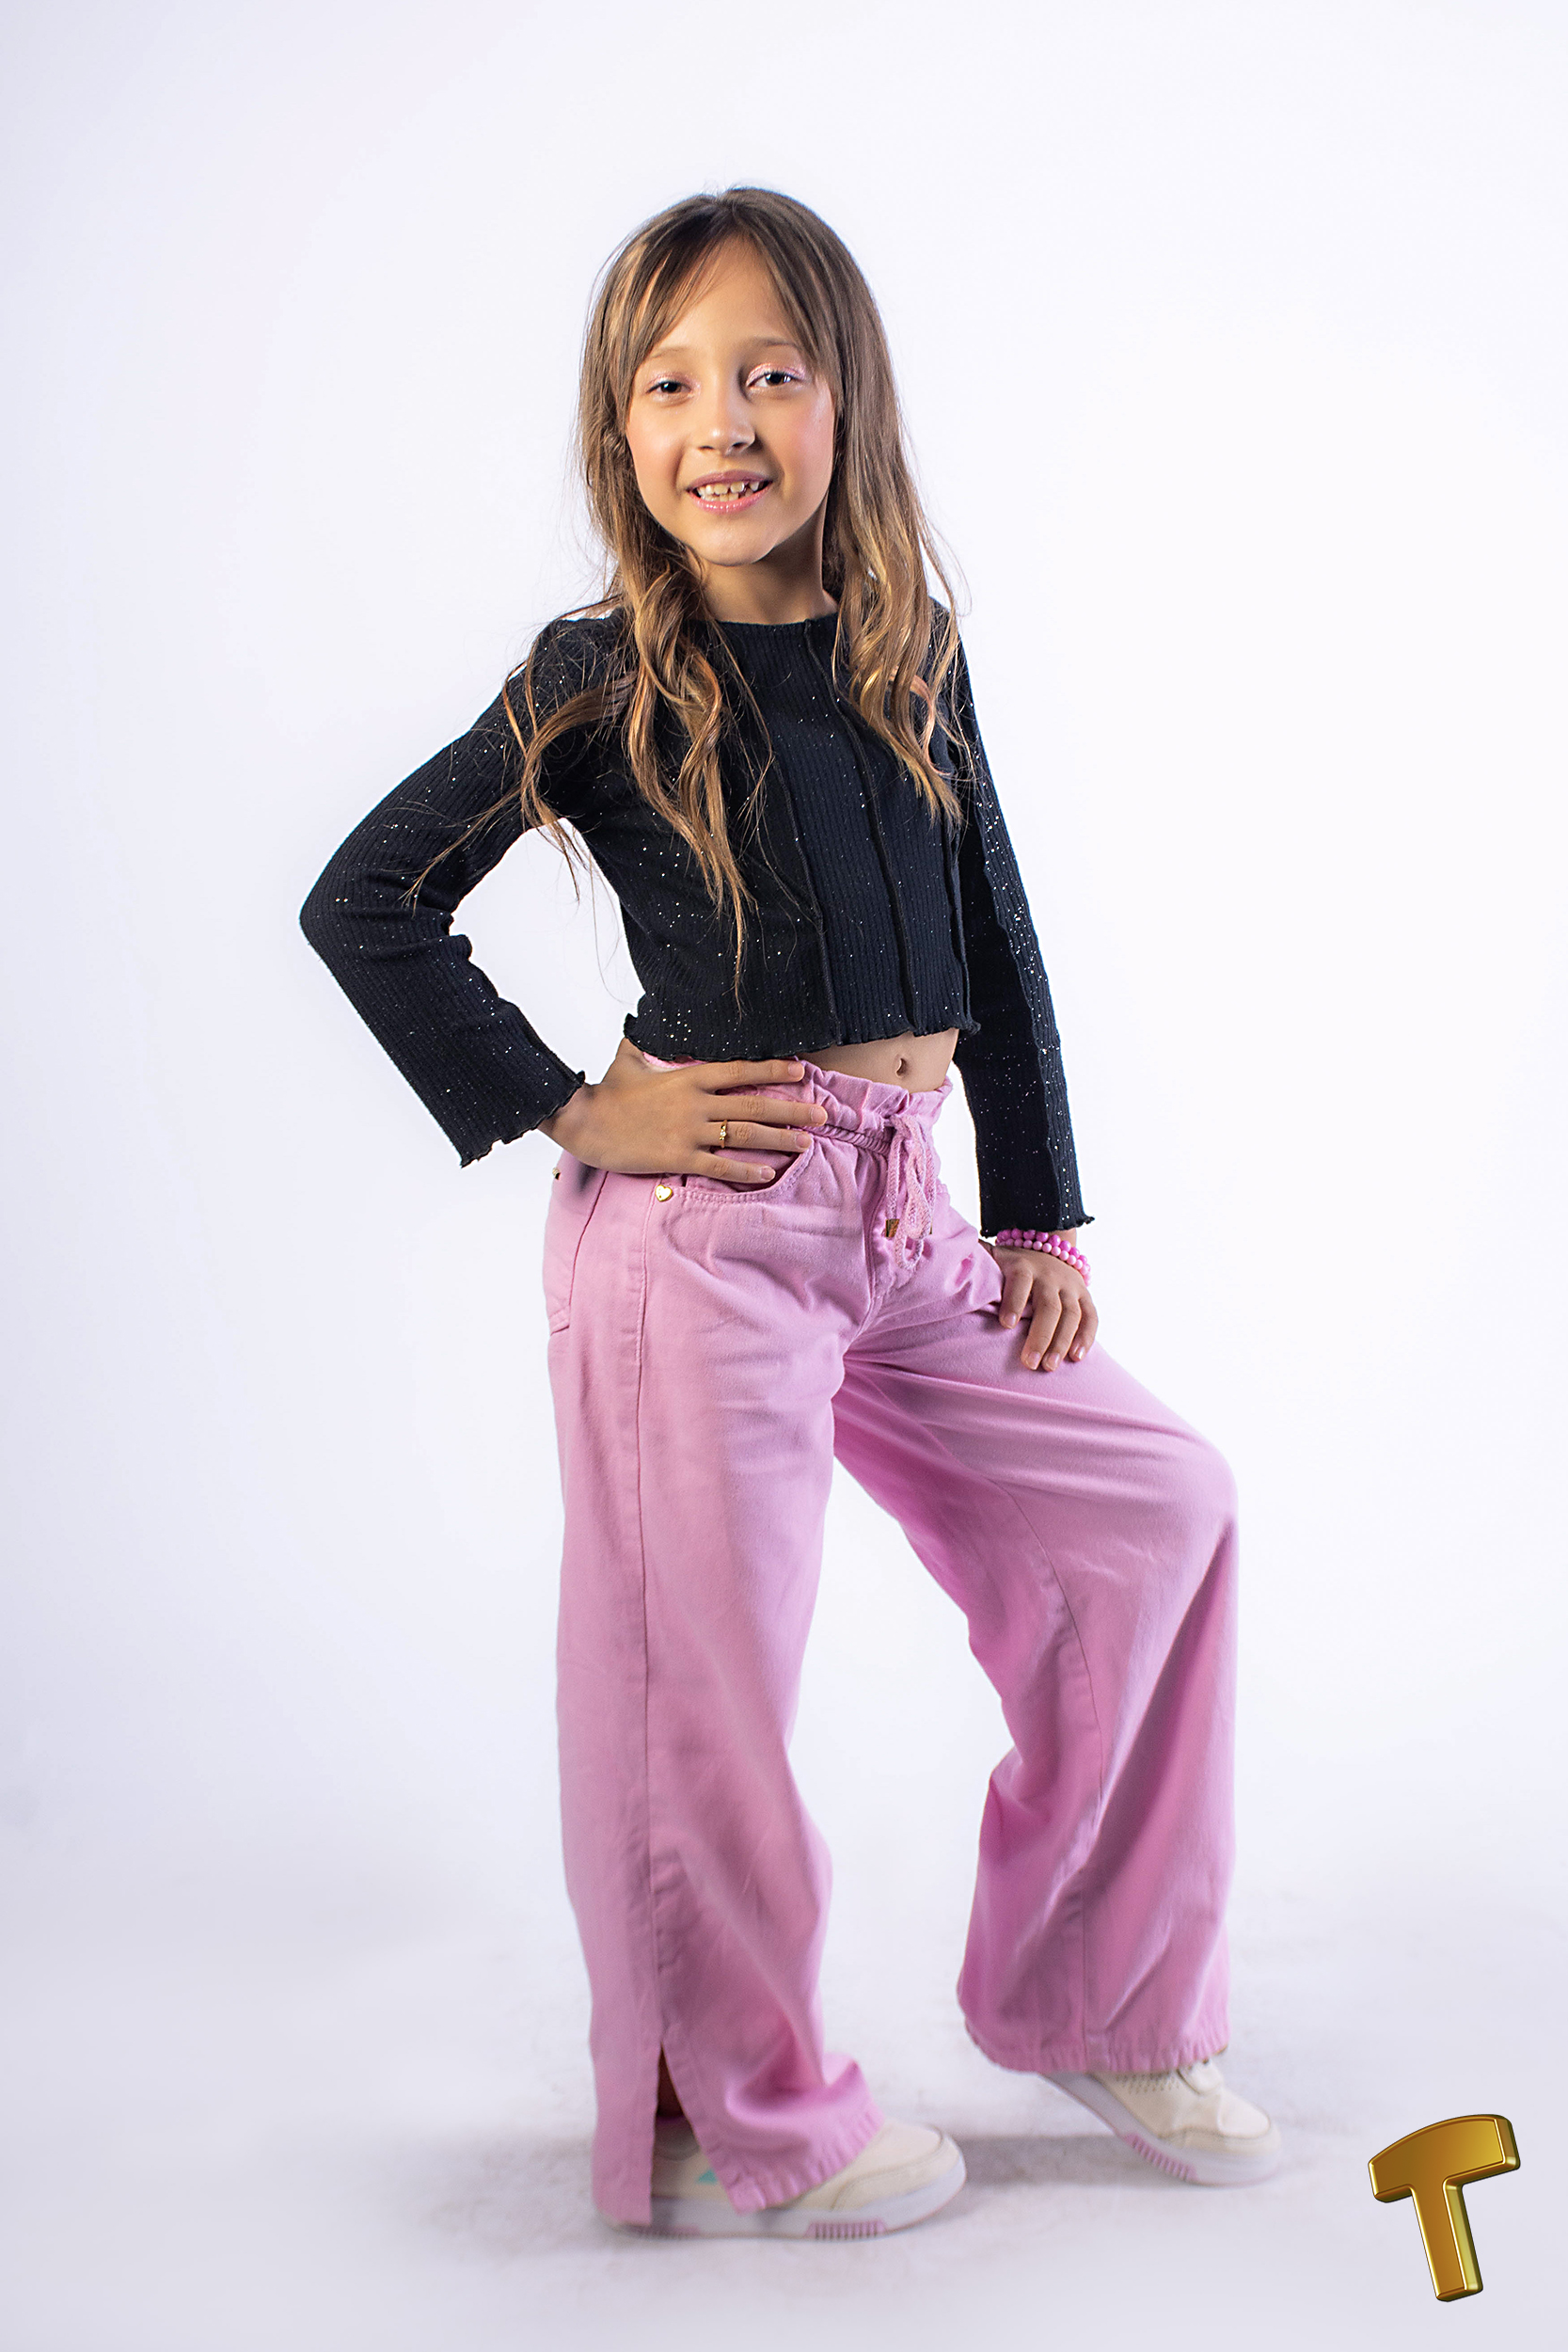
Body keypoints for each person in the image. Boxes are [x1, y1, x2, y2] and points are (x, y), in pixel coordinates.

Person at [300, 186, 1282, 2240]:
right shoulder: (598, 674)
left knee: (1156, 1512)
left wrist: (1040, 1215)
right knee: (702, 1684)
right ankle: (729, 2106)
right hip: (707, 1239)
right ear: (620, 429)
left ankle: (1096, 1995)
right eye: (670, 386)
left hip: (910, 1225)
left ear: (847, 399)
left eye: (768, 372)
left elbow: (995, 938)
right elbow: (365, 899)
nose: (721, 423)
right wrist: (577, 1104)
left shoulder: (910, 647)